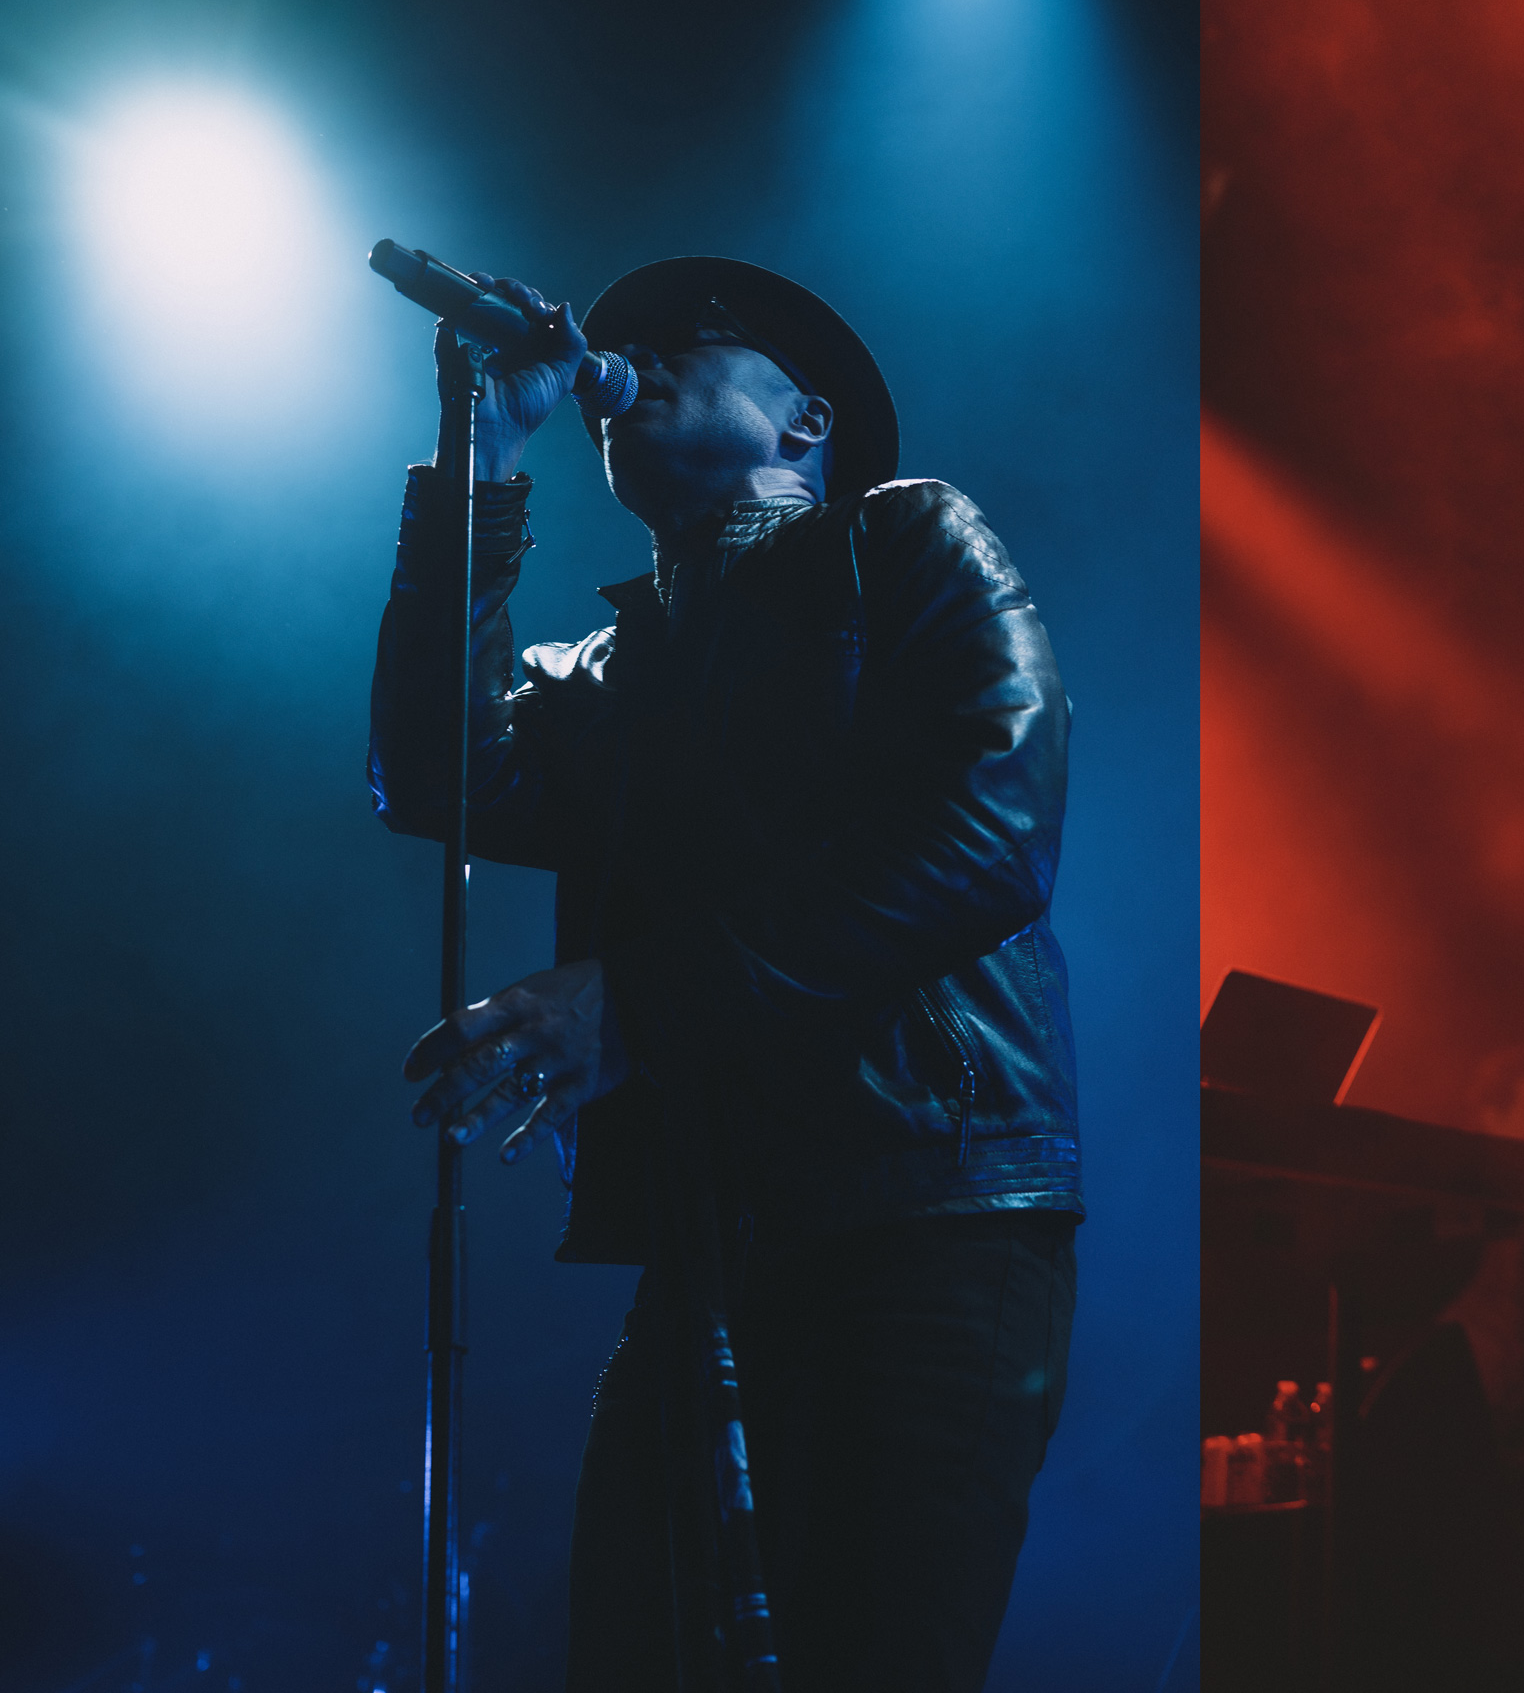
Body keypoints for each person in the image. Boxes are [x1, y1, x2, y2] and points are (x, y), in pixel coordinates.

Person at [367, 258, 1079, 1691]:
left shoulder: (905, 539)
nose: (627, 360)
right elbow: (433, 771)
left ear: (804, 419)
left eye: (684, 340)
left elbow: (992, 832)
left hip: (926, 1208)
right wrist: (480, 468)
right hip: (709, 1236)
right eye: (621, 345)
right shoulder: (607, 671)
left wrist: (638, 1002)